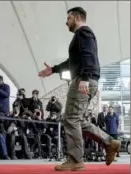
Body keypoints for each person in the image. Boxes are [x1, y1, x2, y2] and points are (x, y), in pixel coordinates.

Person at [38, 7, 120, 171]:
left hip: (83, 81)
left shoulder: (83, 33)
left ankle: (76, 160)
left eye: (68, 18)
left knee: (71, 119)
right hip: (85, 79)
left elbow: (88, 55)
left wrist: (84, 78)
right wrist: (53, 70)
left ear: (76, 18)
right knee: (75, 119)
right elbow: (72, 61)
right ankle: (109, 142)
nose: (66, 22)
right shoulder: (81, 36)